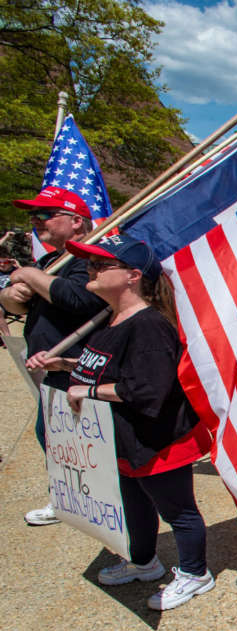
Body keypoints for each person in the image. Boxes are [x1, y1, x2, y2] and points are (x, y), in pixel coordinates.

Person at [27, 235, 214, 610]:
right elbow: (106, 369)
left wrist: (89, 393)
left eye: (100, 265)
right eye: (91, 264)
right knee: (132, 506)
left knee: (177, 510)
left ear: (132, 276)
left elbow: (147, 390)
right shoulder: (111, 318)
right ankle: (144, 562)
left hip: (158, 441)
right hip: (124, 440)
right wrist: (63, 365)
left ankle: (196, 573)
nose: (89, 271)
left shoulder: (148, 325)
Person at [1, 186, 108, 527]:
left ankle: (98, 501)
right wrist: (11, 291)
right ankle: (69, 496)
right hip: (51, 368)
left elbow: (79, 300)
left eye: (46, 214)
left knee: (88, 444)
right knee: (53, 436)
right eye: (34, 215)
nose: (36, 221)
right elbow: (18, 303)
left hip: (81, 366)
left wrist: (28, 275)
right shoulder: (51, 261)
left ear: (77, 221)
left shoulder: (92, 259)